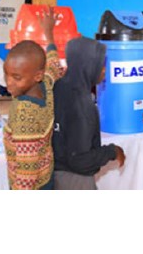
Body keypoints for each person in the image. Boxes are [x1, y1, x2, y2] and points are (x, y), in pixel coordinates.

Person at [1, 8, 64, 190]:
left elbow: (26, 173)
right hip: (46, 177)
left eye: (17, 77)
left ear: (36, 75)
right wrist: (49, 35)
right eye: (7, 75)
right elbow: (54, 66)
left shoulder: (24, 114)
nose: (8, 84)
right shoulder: (45, 85)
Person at [51, 36, 125, 190]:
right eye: (100, 64)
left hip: (54, 173)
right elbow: (80, 160)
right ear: (87, 65)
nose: (104, 69)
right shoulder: (82, 104)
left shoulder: (58, 86)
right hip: (75, 180)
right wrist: (112, 151)